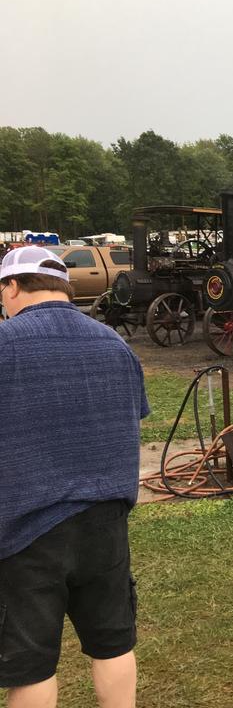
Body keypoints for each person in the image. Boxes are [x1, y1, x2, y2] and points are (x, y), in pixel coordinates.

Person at [0, 246, 148, 708]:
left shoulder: (5, 344)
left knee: (31, 663)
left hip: (26, 526)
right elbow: (133, 416)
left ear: (12, 286)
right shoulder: (114, 343)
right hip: (105, 521)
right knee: (114, 644)